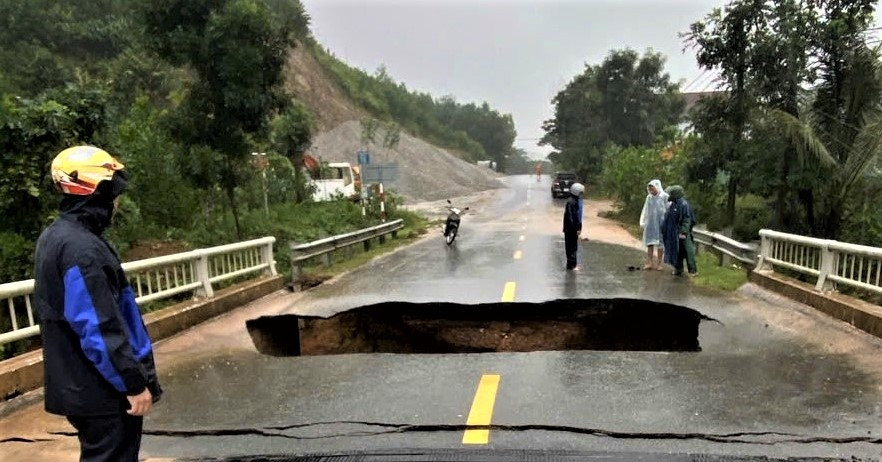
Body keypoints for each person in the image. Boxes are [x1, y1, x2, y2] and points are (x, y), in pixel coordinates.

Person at [34, 146, 162, 462]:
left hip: (82, 387)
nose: (117, 202)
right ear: (98, 191)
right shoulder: (82, 250)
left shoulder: (56, 236)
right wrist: (132, 383)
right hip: (102, 392)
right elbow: (99, 328)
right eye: (113, 192)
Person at [661, 185, 698, 277]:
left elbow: (687, 219)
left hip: (682, 233)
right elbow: (669, 218)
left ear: (675, 194)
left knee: (688, 251)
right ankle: (678, 269)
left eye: (670, 194)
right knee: (677, 251)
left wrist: (683, 231)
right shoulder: (673, 204)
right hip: (674, 232)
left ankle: (693, 270)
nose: (669, 196)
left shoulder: (683, 205)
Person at [639, 179, 668, 270]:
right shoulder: (649, 197)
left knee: (660, 244)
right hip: (650, 223)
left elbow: (668, 209)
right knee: (650, 243)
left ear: (657, 187)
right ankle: (649, 263)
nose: (651, 191)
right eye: (650, 189)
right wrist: (642, 221)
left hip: (661, 224)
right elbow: (645, 209)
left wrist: (667, 222)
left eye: (653, 189)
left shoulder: (664, 197)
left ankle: (659, 264)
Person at [563, 182, 585, 270]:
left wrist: (579, 227)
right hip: (570, 229)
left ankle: (573, 264)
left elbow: (577, 216)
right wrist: (576, 228)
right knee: (571, 247)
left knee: (573, 247)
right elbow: (572, 217)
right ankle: (571, 265)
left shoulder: (575, 201)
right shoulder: (571, 202)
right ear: (577, 191)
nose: (582, 194)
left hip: (572, 228)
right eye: (581, 192)